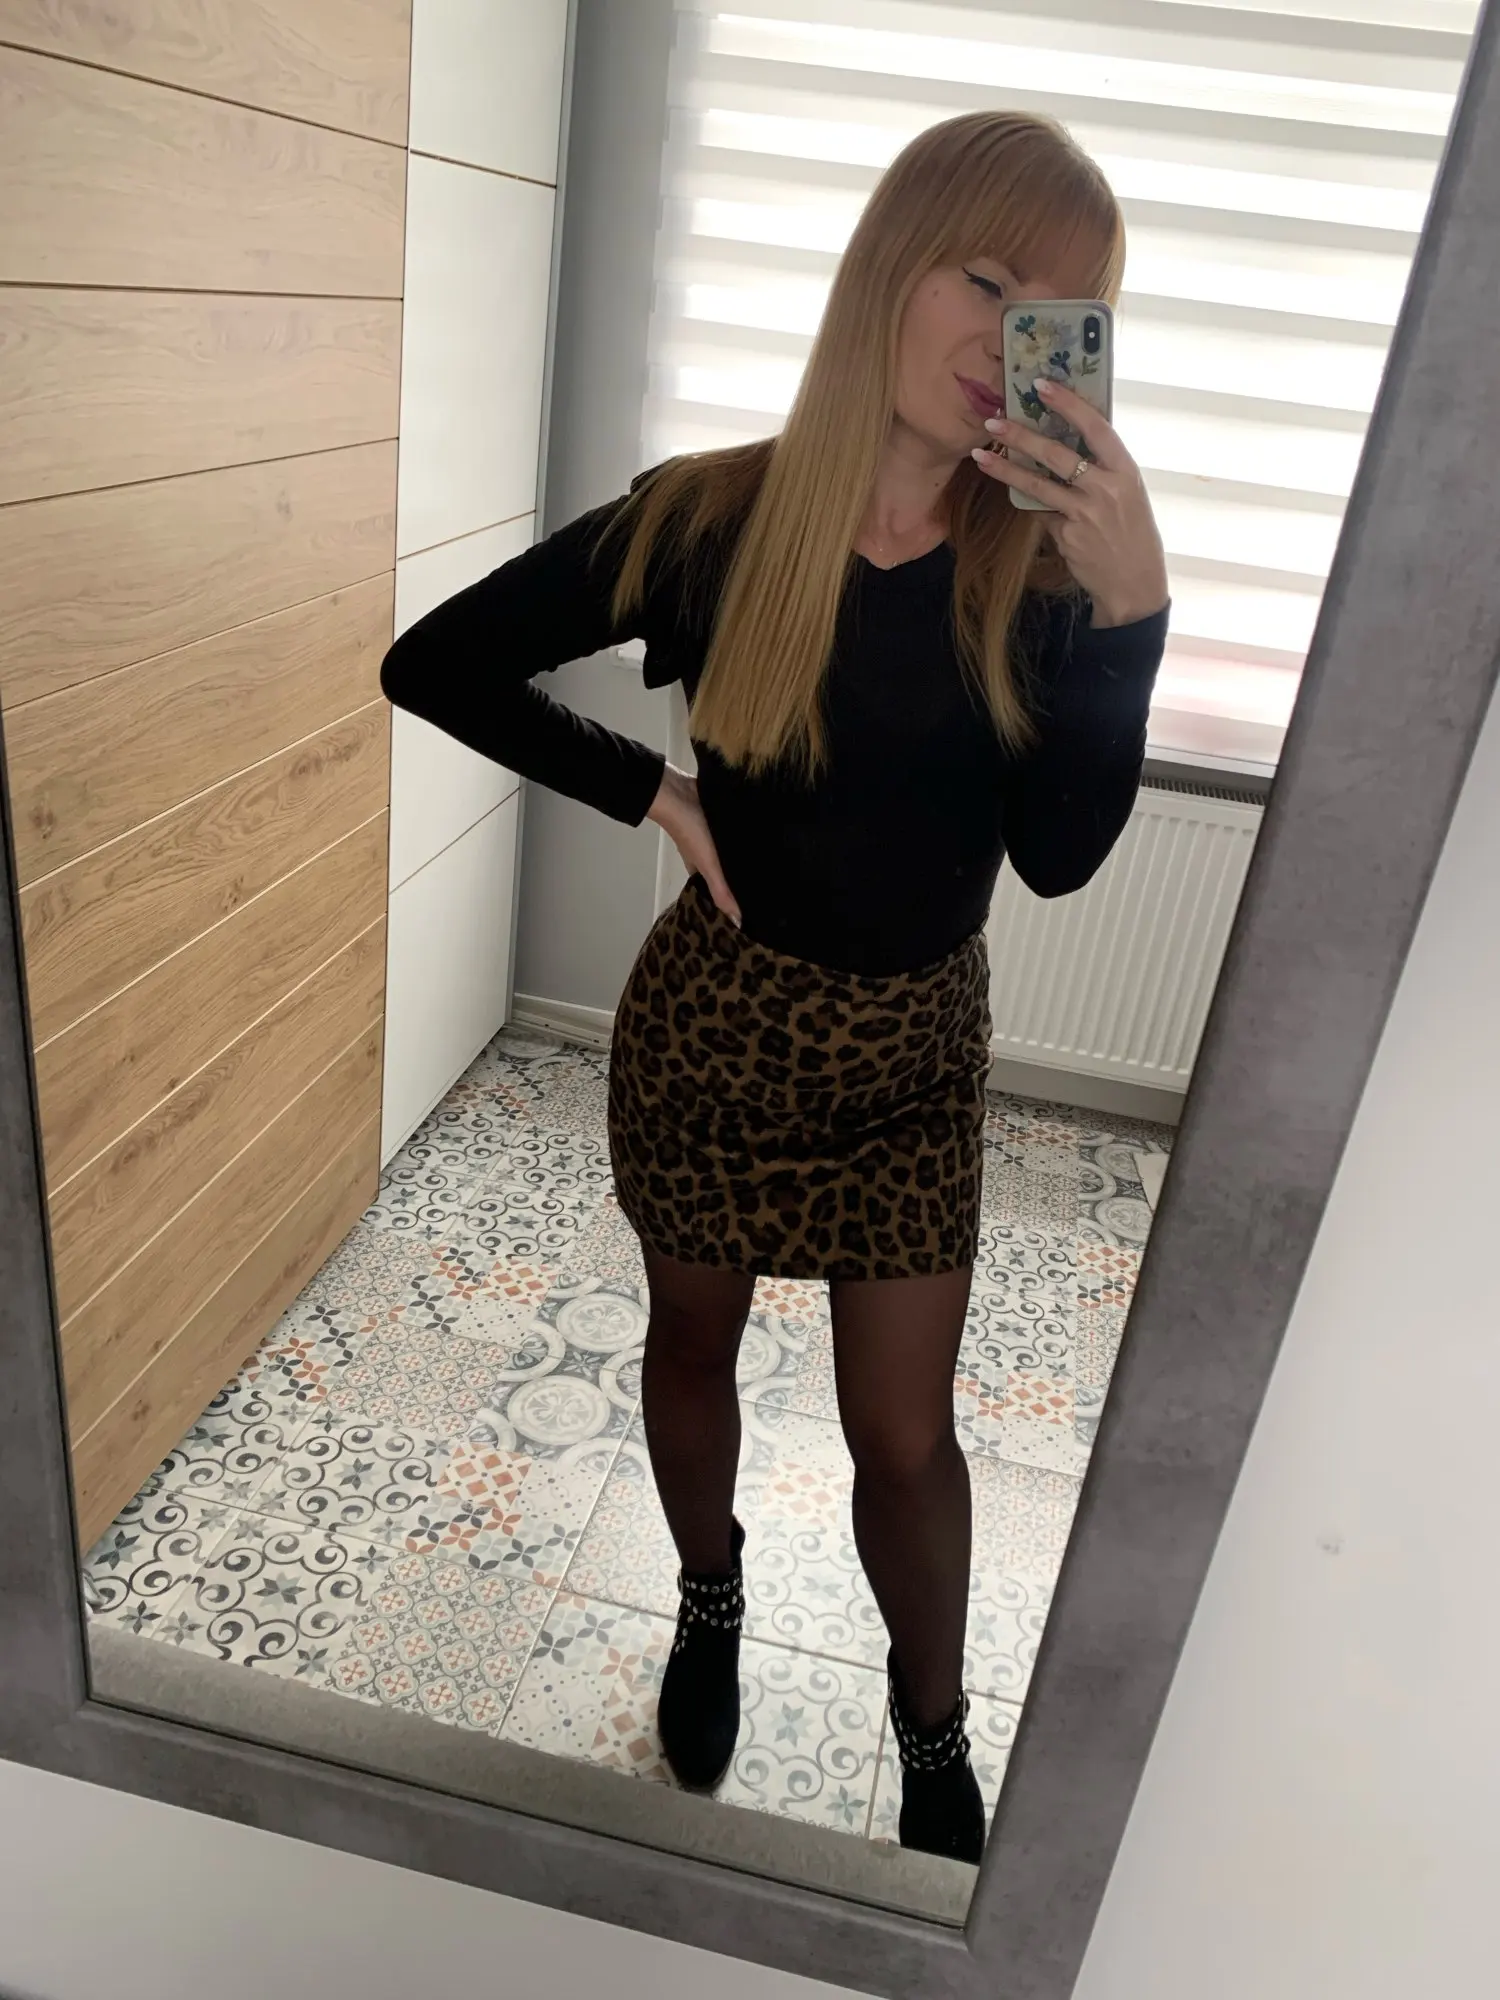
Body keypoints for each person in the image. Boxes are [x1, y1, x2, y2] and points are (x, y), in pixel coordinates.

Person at [380, 108, 1168, 1863]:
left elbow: (1058, 859)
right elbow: (436, 661)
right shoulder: (709, 520)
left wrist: (1133, 621)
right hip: (717, 1035)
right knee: (693, 1339)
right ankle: (711, 1596)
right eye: (985, 278)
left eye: (1059, 311)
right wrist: (651, 793)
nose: (1007, 337)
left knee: (906, 1434)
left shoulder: (1047, 572)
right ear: (890, 265)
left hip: (913, 1061)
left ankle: (931, 1726)